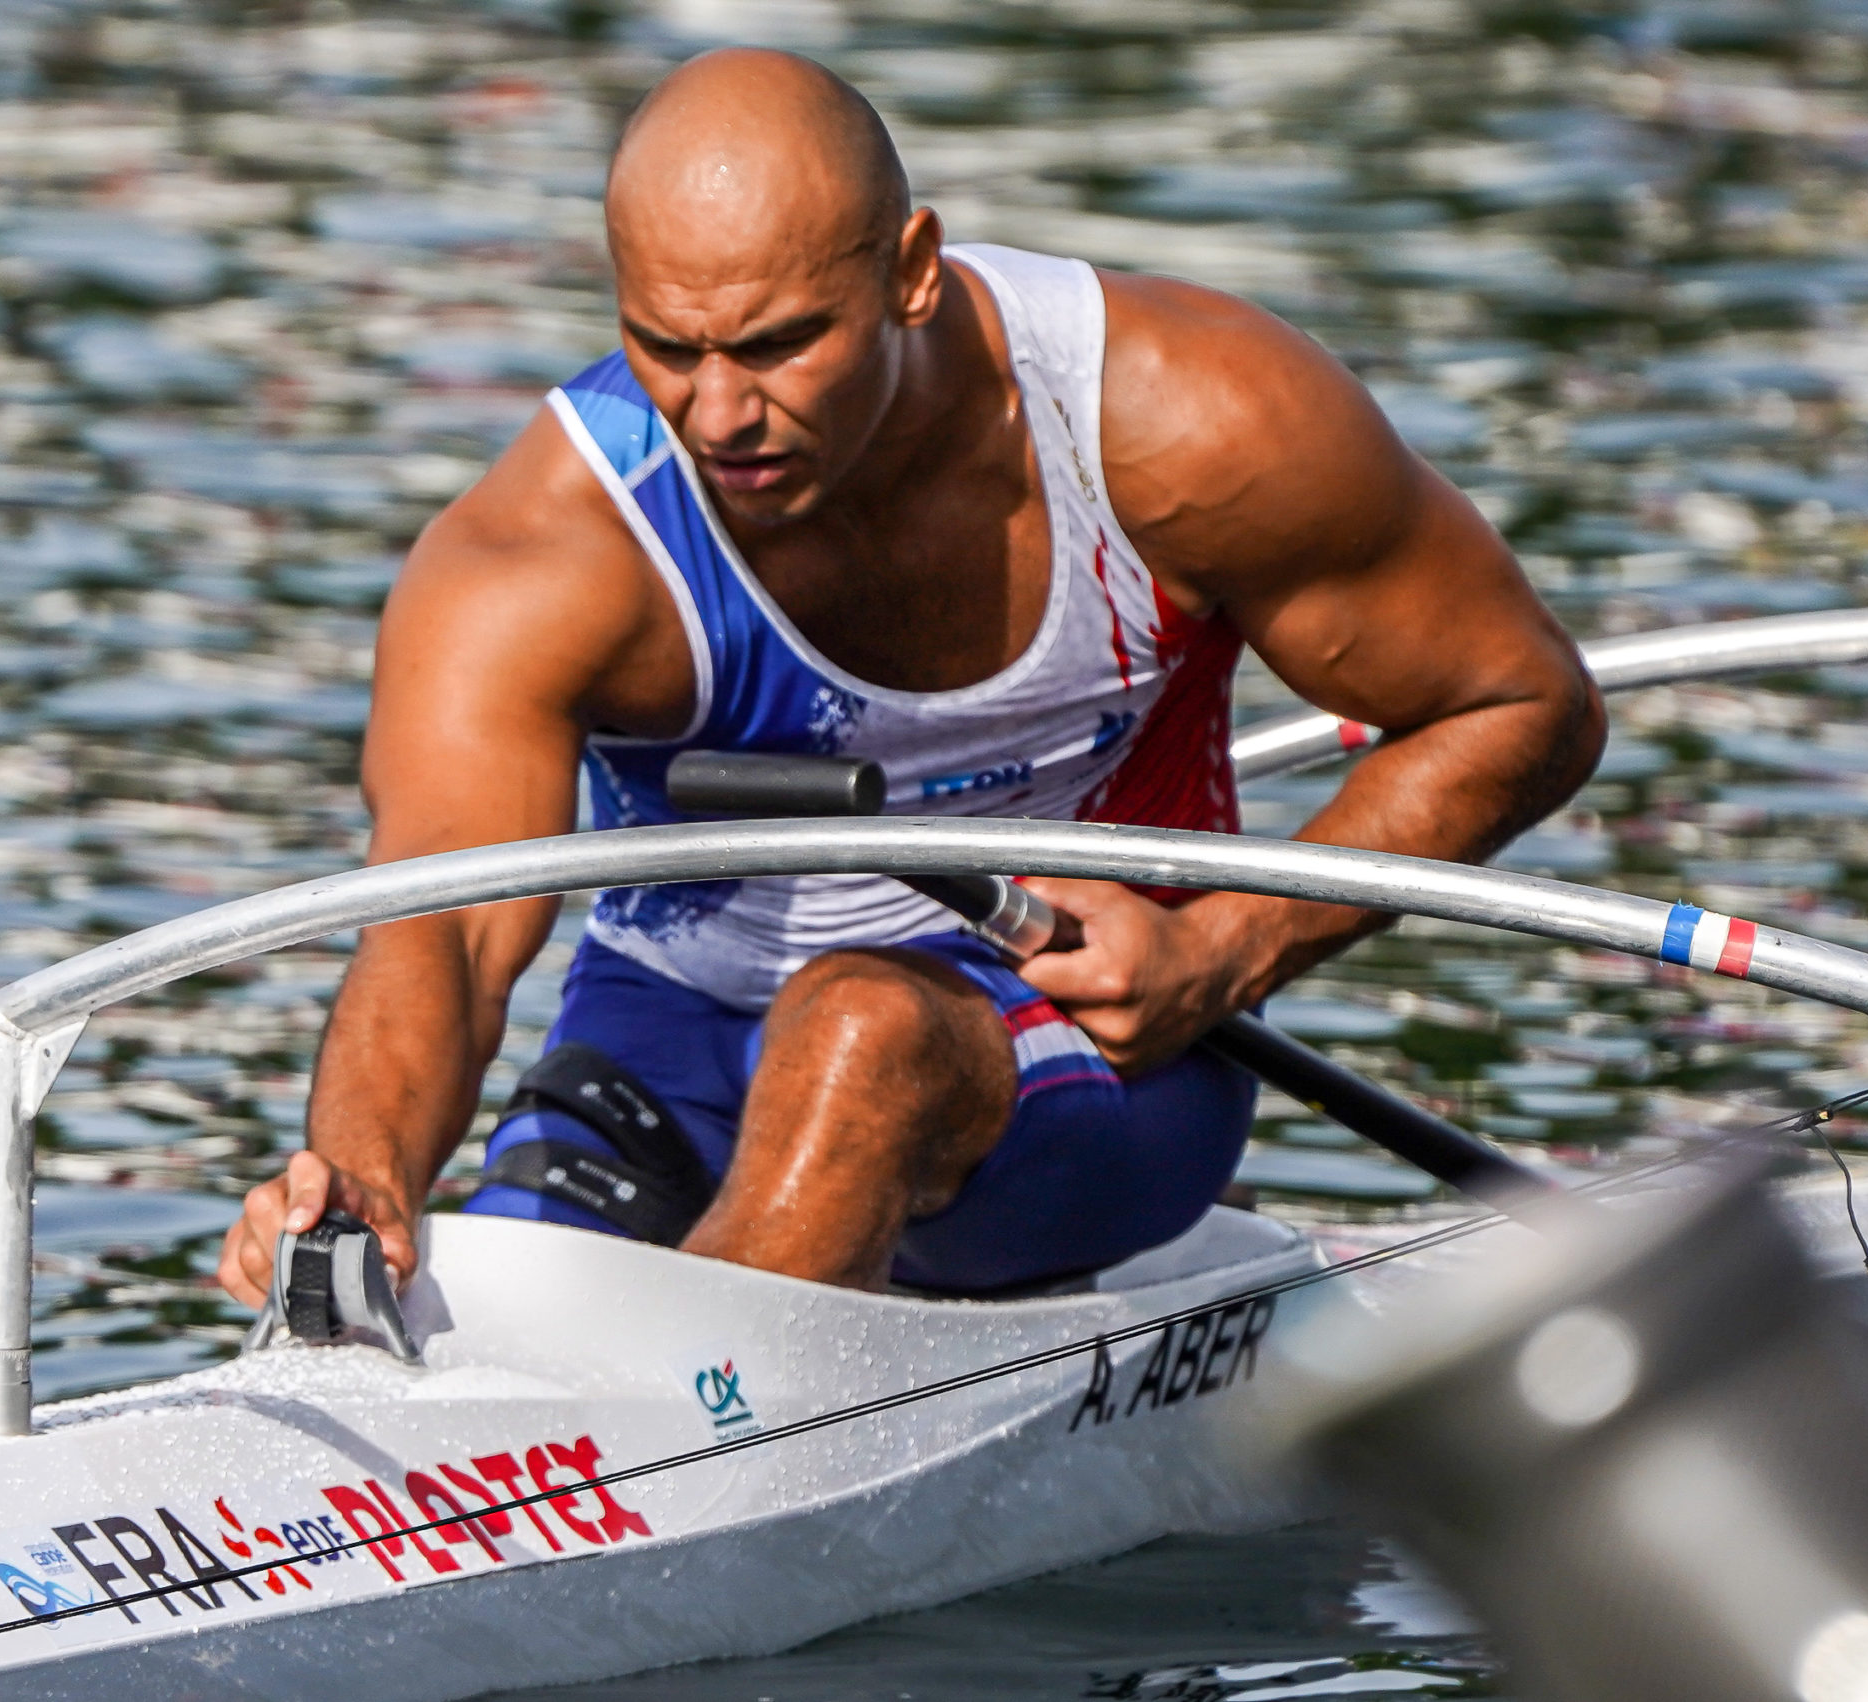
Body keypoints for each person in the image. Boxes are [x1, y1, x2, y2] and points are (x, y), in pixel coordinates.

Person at [215, 47, 1601, 1305]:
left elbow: (1522, 704)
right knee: (425, 1273)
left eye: (777, 345)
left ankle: (713, 1435)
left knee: (859, 1030)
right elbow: (441, 934)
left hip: (1096, 1060)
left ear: (913, 271)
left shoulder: (1189, 425)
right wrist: (361, 1174)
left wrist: (1230, 946)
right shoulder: (548, 550)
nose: (718, 414)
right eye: (667, 346)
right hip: (674, 1056)